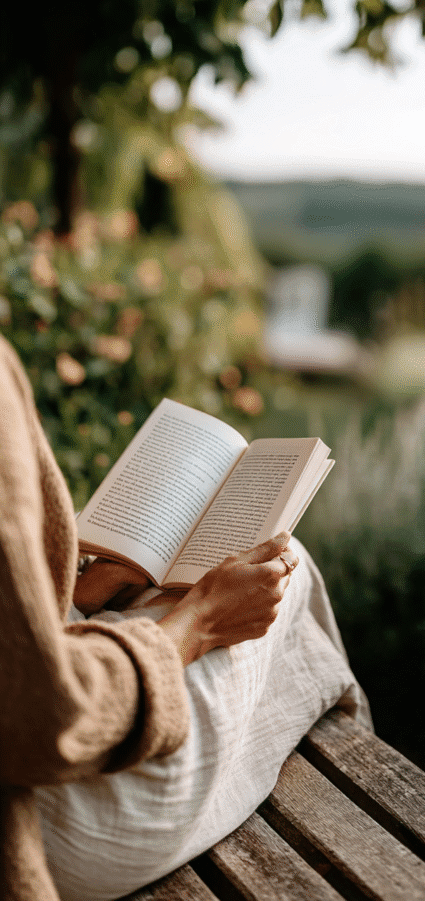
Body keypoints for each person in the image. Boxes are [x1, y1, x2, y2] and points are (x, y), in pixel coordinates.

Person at [0, 334, 370, 901]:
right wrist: (198, 625)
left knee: (196, 586)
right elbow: (44, 713)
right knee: (284, 568)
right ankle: (354, 748)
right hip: (45, 811)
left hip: (43, 742)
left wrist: (84, 593)